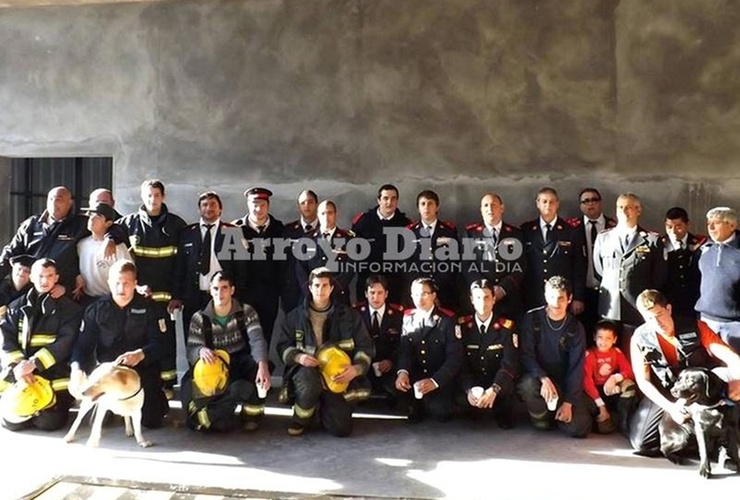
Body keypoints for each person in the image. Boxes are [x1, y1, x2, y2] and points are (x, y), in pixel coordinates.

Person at [629, 289, 740, 457]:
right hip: (669, 390)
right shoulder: (639, 338)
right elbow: (643, 381)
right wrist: (671, 408)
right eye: (649, 318)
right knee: (642, 443)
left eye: (659, 314)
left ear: (669, 309)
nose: (657, 322)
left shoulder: (695, 327)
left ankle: (721, 443)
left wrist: (738, 379)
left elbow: (729, 356)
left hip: (699, 388)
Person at [70, 259, 169, 428]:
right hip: (108, 372)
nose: (121, 288)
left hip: (140, 369)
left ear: (135, 284)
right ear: (109, 282)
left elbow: (162, 344)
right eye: (117, 283)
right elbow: (83, 345)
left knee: (152, 421)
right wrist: (77, 369)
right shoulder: (96, 309)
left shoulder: (151, 308)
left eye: (126, 283)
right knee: (99, 422)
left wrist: (141, 354)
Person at [276, 267, 374, 437]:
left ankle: (321, 409)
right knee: (309, 382)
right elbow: (283, 346)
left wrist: (356, 370)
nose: (320, 290)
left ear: (331, 288)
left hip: (337, 375)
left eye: (324, 286)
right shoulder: (295, 317)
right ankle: (300, 419)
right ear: (310, 287)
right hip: (306, 372)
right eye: (316, 285)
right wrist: (299, 357)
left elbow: (365, 347)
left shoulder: (349, 316)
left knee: (341, 430)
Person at [118, 179, 187, 396]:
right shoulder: (129, 223)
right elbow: (115, 241)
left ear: (163, 197)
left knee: (165, 339)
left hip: (165, 300)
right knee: (139, 339)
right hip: (138, 297)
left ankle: (167, 384)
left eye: (156, 195)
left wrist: (177, 296)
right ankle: (140, 381)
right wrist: (135, 286)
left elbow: (182, 265)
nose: (152, 199)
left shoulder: (177, 225)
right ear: (142, 196)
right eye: (148, 195)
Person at [182, 271, 271, 432]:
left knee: (260, 367)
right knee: (219, 425)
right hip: (214, 367)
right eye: (215, 288)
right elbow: (191, 350)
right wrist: (200, 351)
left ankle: (252, 415)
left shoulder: (246, 312)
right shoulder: (199, 318)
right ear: (210, 291)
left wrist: (262, 365)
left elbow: (257, 340)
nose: (219, 293)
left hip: (239, 362)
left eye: (224, 288)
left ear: (232, 290)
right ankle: (208, 415)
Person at [0, 258, 82, 431]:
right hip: (20, 372)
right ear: (31, 277)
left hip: (53, 373)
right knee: (12, 423)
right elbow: (5, 337)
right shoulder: (16, 306)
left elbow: (65, 343)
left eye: (49, 276)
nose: (44, 281)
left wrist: (34, 364)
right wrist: (18, 366)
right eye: (40, 276)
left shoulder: (70, 310)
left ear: (56, 278)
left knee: (49, 424)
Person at [0, 186, 122, 296]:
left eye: (59, 199)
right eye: (51, 198)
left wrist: (110, 239)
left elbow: (115, 226)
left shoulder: (80, 224)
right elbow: (11, 252)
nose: (54, 202)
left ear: (70, 203)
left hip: (61, 290)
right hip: (29, 287)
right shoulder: (31, 224)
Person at [517, 275, 592, 438]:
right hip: (539, 379)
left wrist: (568, 402)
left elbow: (576, 367)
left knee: (579, 429)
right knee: (527, 385)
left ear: (569, 299)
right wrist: (543, 378)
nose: (556, 304)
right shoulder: (532, 318)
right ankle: (543, 418)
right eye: (551, 297)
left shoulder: (576, 327)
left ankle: (561, 412)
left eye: (560, 298)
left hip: (564, 384)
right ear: (545, 296)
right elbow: (526, 355)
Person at [593, 193, 666, 352]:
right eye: (620, 207)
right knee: (607, 353)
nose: (624, 211)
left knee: (633, 352)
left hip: (637, 308)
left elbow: (658, 276)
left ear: (638, 210)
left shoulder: (651, 240)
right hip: (609, 307)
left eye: (629, 207)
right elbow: (599, 270)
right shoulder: (604, 238)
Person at [395, 278, 462, 423]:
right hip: (417, 377)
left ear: (433, 295)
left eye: (425, 294)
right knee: (403, 404)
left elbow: (454, 358)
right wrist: (402, 372)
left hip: (439, 377)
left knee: (440, 412)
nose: (420, 299)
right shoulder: (408, 318)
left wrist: (434, 381)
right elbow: (405, 351)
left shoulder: (447, 320)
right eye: (416, 294)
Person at [457, 279, 518, 429]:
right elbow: (461, 362)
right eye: (478, 298)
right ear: (471, 300)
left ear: (493, 299)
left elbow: (509, 364)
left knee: (506, 406)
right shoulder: (463, 327)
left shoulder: (506, 327)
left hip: (497, 385)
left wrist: (494, 389)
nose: (482, 302)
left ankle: (499, 409)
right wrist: (469, 389)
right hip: (474, 385)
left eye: (486, 297)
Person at [172, 191, 235, 333]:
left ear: (220, 209)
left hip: (222, 297)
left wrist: (238, 296)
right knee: (194, 340)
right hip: (192, 297)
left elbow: (241, 269)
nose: (209, 208)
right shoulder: (187, 233)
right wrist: (176, 295)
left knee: (222, 338)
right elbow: (179, 267)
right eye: (204, 205)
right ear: (199, 209)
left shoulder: (232, 232)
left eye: (213, 204)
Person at [232, 187, 285, 345]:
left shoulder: (279, 229)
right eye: (254, 204)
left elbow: (283, 265)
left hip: (270, 295)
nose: (258, 209)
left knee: (265, 336)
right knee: (242, 338)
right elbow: (229, 264)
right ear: (248, 205)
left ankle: (261, 369)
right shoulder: (235, 229)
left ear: (268, 206)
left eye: (262, 205)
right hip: (243, 295)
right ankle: (246, 370)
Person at [521, 187, 586, 314]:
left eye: (551, 202)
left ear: (558, 204)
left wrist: (578, 297)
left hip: (561, 297)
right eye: (544, 201)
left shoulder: (571, 231)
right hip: (533, 295)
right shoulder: (526, 230)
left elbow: (579, 267)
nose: (548, 205)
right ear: (537, 204)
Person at [460, 193, 525, 321]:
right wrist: (482, 290)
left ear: (502, 208)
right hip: (480, 301)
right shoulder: (470, 233)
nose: (490, 209)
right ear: (481, 210)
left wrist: (503, 288)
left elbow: (521, 265)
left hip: (508, 300)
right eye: (486, 205)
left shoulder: (515, 233)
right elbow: (467, 264)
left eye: (493, 205)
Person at [567, 188, 616, 336]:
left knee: (608, 334)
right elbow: (570, 265)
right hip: (583, 293)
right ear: (581, 206)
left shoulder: (613, 226)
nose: (590, 204)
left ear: (600, 203)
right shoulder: (572, 228)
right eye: (586, 201)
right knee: (584, 334)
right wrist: (577, 296)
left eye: (594, 200)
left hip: (608, 292)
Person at [351, 184, 411, 304]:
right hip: (367, 283)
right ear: (379, 200)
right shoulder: (363, 222)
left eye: (393, 198)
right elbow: (354, 252)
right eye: (385, 198)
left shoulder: (406, 224)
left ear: (397, 201)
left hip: (394, 284)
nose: (389, 202)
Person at [404, 190, 460, 310]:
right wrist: (424, 289)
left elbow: (453, 261)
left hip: (444, 291)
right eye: (423, 204)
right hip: (418, 294)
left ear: (437, 207)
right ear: (418, 208)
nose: (426, 207)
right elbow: (406, 263)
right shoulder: (409, 232)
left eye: (430, 203)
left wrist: (434, 288)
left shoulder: (449, 231)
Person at [695, 207, 740, 353]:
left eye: (716, 223)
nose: (711, 227)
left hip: (734, 325)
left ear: (732, 225)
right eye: (709, 223)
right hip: (706, 321)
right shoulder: (705, 248)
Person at [354, 275, 403, 404]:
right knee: (360, 394)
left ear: (386, 294)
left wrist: (390, 361)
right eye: (372, 293)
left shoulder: (398, 315)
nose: (376, 297)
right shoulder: (355, 314)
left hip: (388, 365)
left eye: (380, 293)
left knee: (395, 393)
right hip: (363, 365)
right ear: (365, 294)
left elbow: (402, 344)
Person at [583, 320, 636, 435]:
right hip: (594, 394)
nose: (604, 341)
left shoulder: (616, 352)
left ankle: (624, 420)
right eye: (600, 337)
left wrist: (614, 378)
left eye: (608, 338)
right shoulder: (590, 355)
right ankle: (605, 416)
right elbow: (587, 382)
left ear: (614, 339)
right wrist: (601, 406)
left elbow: (629, 371)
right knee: (604, 429)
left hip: (610, 388)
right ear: (594, 337)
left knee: (629, 386)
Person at [301, 200, 355, 306]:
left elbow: (350, 268)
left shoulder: (348, 239)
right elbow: (300, 268)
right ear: (317, 215)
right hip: (313, 297)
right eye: (323, 213)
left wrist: (332, 289)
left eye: (330, 213)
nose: (326, 217)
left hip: (339, 297)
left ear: (336, 215)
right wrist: (311, 290)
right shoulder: (308, 239)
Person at [76, 203, 132, 306]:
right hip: (86, 299)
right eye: (91, 214)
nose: (92, 218)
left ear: (108, 223)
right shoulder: (81, 244)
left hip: (111, 300)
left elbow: (129, 273)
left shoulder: (118, 247)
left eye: (98, 216)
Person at [661, 207, 705, 319]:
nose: (673, 231)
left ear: (687, 224)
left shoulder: (700, 244)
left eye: (678, 227)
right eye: (669, 227)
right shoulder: (659, 245)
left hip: (694, 301)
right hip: (668, 302)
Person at [282, 189, 320, 313]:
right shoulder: (287, 231)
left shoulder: (325, 230)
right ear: (298, 207)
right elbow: (282, 263)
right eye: (303, 203)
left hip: (318, 291)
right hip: (292, 291)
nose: (307, 206)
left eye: (310, 202)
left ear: (316, 204)